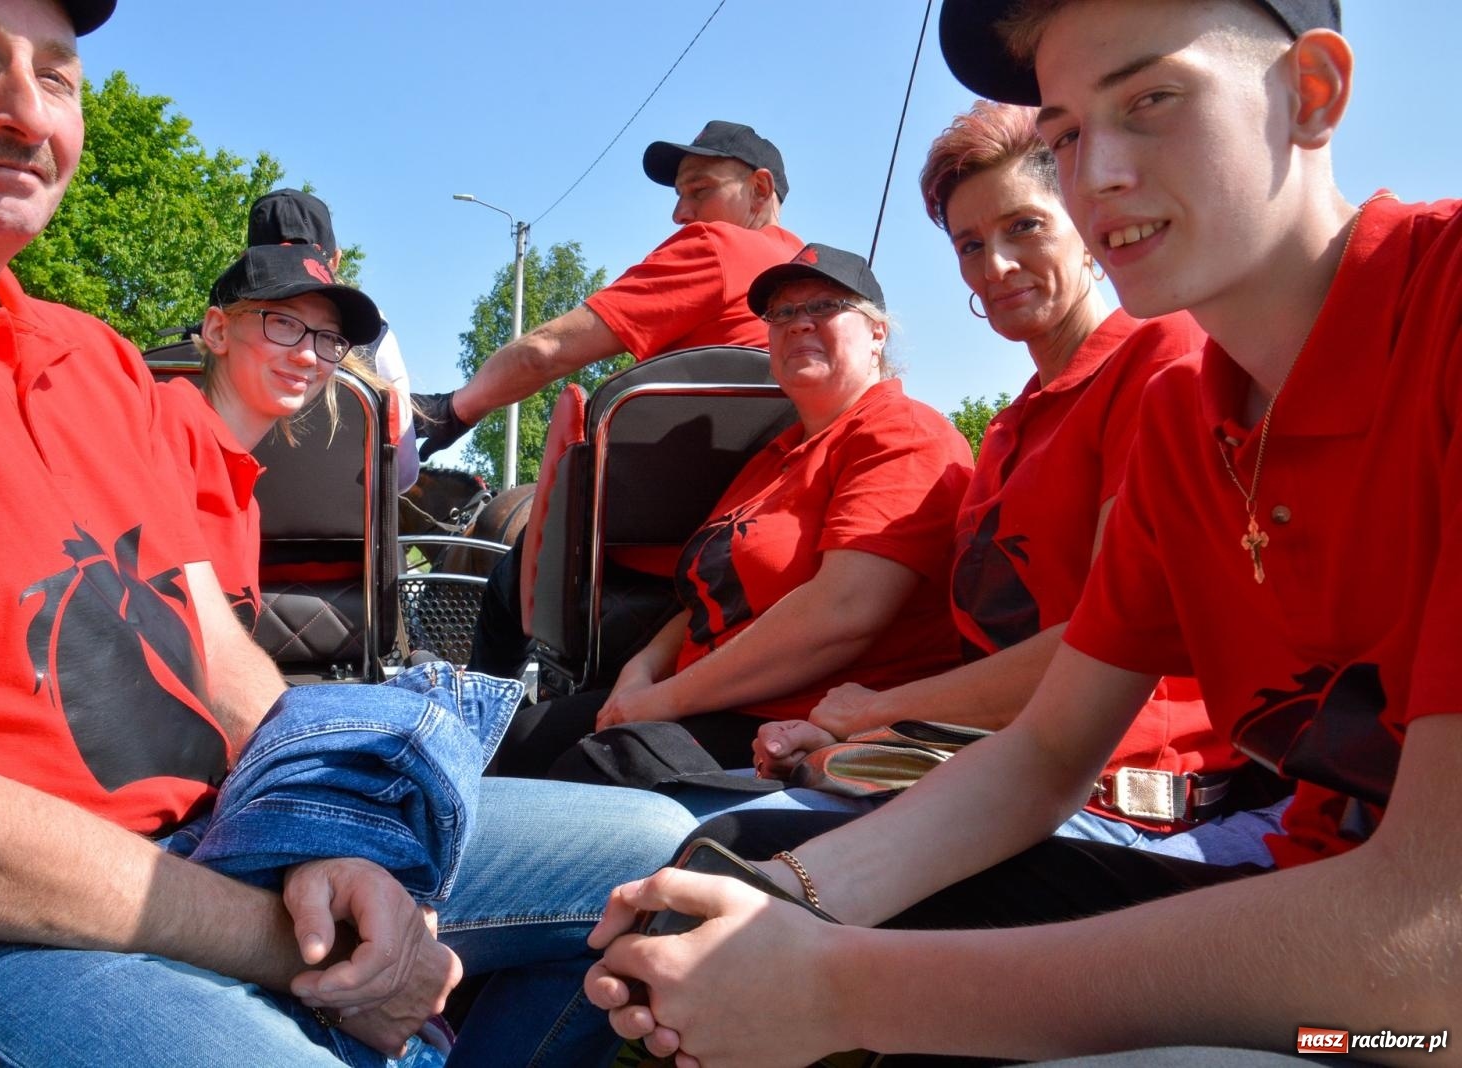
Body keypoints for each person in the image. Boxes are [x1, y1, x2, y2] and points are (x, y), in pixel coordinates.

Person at [583, 1, 1461, 1064]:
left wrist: (840, 988)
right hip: (1291, 870)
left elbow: (1434, 947)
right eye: (1068, 137)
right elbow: (1045, 751)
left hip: (1392, 998)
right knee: (704, 910)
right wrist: (787, 896)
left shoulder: (1440, 318)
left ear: (1311, 92)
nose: (1096, 180)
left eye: (1151, 100)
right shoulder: (1194, 420)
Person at [0, 2, 699, 1065]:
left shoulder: (98, 363)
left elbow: (216, 650)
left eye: (60, 75)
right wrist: (297, 945)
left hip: (209, 832)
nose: (29, 114)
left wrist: (322, 834)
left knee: (653, 861)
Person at [755, 102, 1283, 863]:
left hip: (1130, 814)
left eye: (1024, 227)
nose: (994, 266)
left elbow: (1105, 638)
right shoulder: (1008, 428)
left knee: (721, 864)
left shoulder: (1160, 359)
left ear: (1089, 224)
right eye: (970, 245)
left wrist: (871, 713)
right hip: (991, 774)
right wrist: (852, 728)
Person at [491, 244, 972, 777]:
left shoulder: (903, 433)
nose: (798, 324)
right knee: (499, 745)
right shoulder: (775, 455)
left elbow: (844, 613)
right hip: (703, 702)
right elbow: (706, 599)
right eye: (782, 313)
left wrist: (664, 700)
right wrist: (641, 669)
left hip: (794, 728)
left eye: (824, 307)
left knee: (583, 772)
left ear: (877, 333)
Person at [426, 119, 808, 679]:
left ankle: (486, 741)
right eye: (679, 196)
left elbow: (547, 351)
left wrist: (453, 409)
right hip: (755, 552)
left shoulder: (717, 247)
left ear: (759, 189)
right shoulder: (821, 286)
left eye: (698, 190)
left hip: (638, 556)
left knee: (507, 585)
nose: (680, 215)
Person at [157, 243, 383, 628]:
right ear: (217, 330)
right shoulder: (165, 424)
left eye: (328, 339)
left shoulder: (244, 494)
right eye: (283, 322)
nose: (309, 356)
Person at [247, 186, 420, 494]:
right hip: (346, 539)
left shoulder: (205, 340)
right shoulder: (376, 338)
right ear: (336, 260)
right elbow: (402, 475)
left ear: (247, 259)